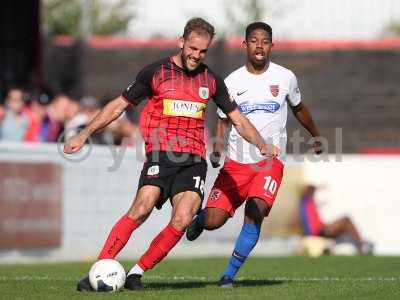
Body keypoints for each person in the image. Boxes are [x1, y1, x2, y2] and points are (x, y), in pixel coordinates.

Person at [63, 17, 278, 292]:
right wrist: (84, 134)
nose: (196, 55)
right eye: (192, 48)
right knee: (142, 207)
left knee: (184, 217)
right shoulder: (155, 72)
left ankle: (136, 273)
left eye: (203, 51)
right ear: (182, 42)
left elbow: (238, 118)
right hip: (161, 155)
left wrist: (260, 142)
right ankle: (101, 268)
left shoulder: (211, 80)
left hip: (193, 161)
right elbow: (118, 105)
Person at [185, 22, 322, 288]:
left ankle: (229, 274)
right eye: (254, 40)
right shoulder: (232, 81)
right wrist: (216, 146)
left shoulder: (285, 77)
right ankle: (201, 220)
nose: (259, 45)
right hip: (236, 163)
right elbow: (224, 119)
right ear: (244, 45)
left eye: (265, 41)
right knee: (214, 220)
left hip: (269, 162)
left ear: (272, 45)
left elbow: (299, 108)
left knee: (255, 210)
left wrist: (315, 135)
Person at [300, 185, 373, 254]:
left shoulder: (312, 203)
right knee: (346, 219)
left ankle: (360, 245)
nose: (313, 194)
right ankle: (361, 244)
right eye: (312, 192)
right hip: (319, 232)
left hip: (323, 228)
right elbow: (310, 187)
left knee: (347, 227)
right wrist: (320, 187)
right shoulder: (306, 201)